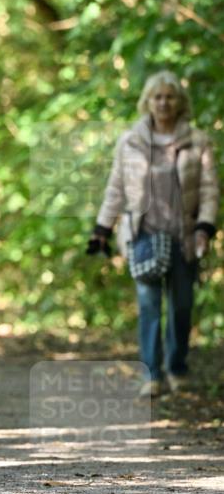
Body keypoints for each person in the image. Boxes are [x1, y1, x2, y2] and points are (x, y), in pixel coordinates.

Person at [89, 70, 219, 397]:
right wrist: (102, 229)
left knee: (181, 306)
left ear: (179, 102)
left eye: (169, 97)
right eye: (157, 97)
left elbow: (209, 191)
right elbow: (116, 188)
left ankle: (177, 367)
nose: (163, 103)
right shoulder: (130, 141)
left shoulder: (198, 141)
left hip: (184, 236)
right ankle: (152, 374)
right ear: (147, 101)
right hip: (143, 235)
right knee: (148, 306)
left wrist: (205, 228)